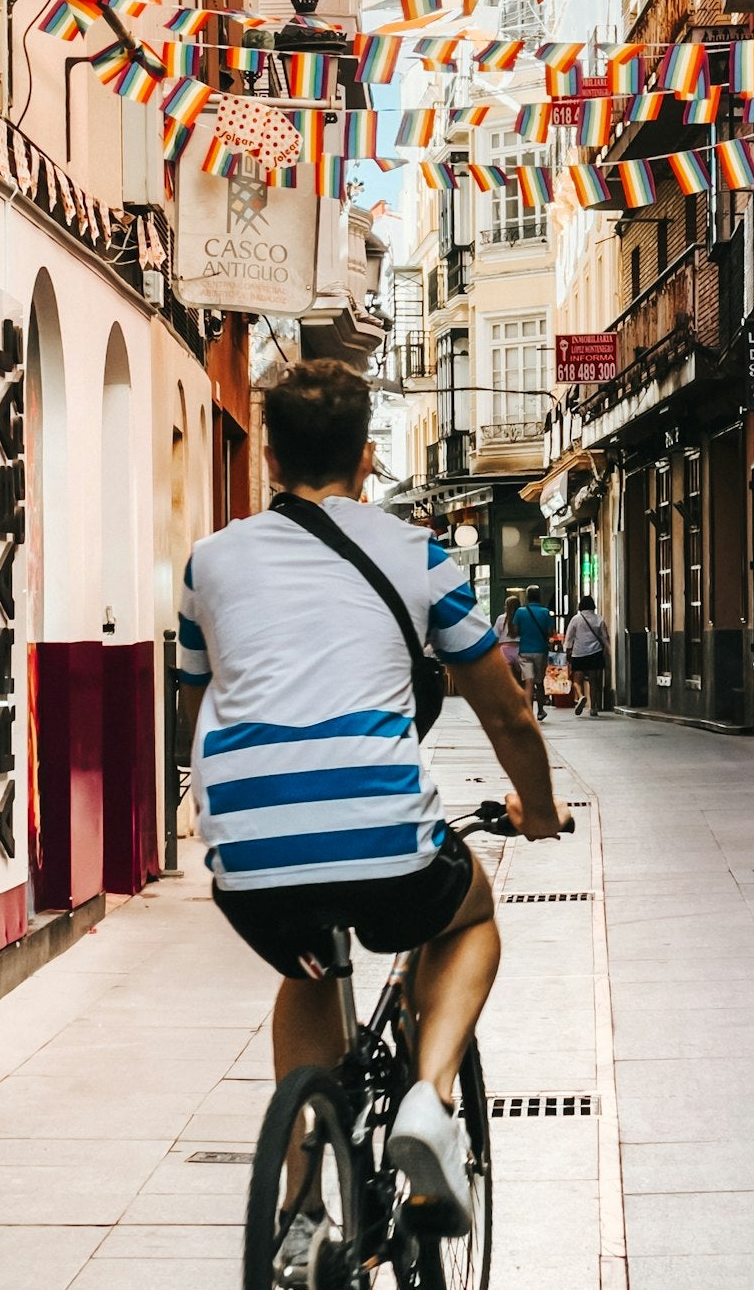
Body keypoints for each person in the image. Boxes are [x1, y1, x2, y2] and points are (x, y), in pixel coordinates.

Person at [178, 359, 562, 1236]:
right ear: (367, 457)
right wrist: (538, 810)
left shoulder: (209, 563)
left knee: (307, 965)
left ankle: (301, 1210)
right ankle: (429, 1100)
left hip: (247, 853)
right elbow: (505, 710)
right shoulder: (417, 556)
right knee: (468, 914)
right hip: (382, 838)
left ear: (268, 457)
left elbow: (195, 703)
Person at [510, 585, 557, 720]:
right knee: (539, 682)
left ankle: (528, 711)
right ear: (539, 597)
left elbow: (515, 631)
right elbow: (550, 632)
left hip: (525, 651)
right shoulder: (545, 612)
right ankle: (540, 710)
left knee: (528, 682)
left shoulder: (520, 612)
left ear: (527, 597)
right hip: (541, 651)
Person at [563, 595, 610, 716]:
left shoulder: (576, 619)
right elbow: (605, 637)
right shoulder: (599, 619)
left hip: (579, 653)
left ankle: (581, 696)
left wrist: (567, 650)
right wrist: (607, 650)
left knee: (577, 681)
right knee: (594, 682)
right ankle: (593, 708)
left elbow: (569, 637)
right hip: (595, 653)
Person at [494, 587, 524, 672]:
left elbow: (495, 636)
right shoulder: (522, 618)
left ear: (506, 607)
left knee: (508, 674)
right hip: (520, 648)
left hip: (505, 649)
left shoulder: (501, 618)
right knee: (522, 675)